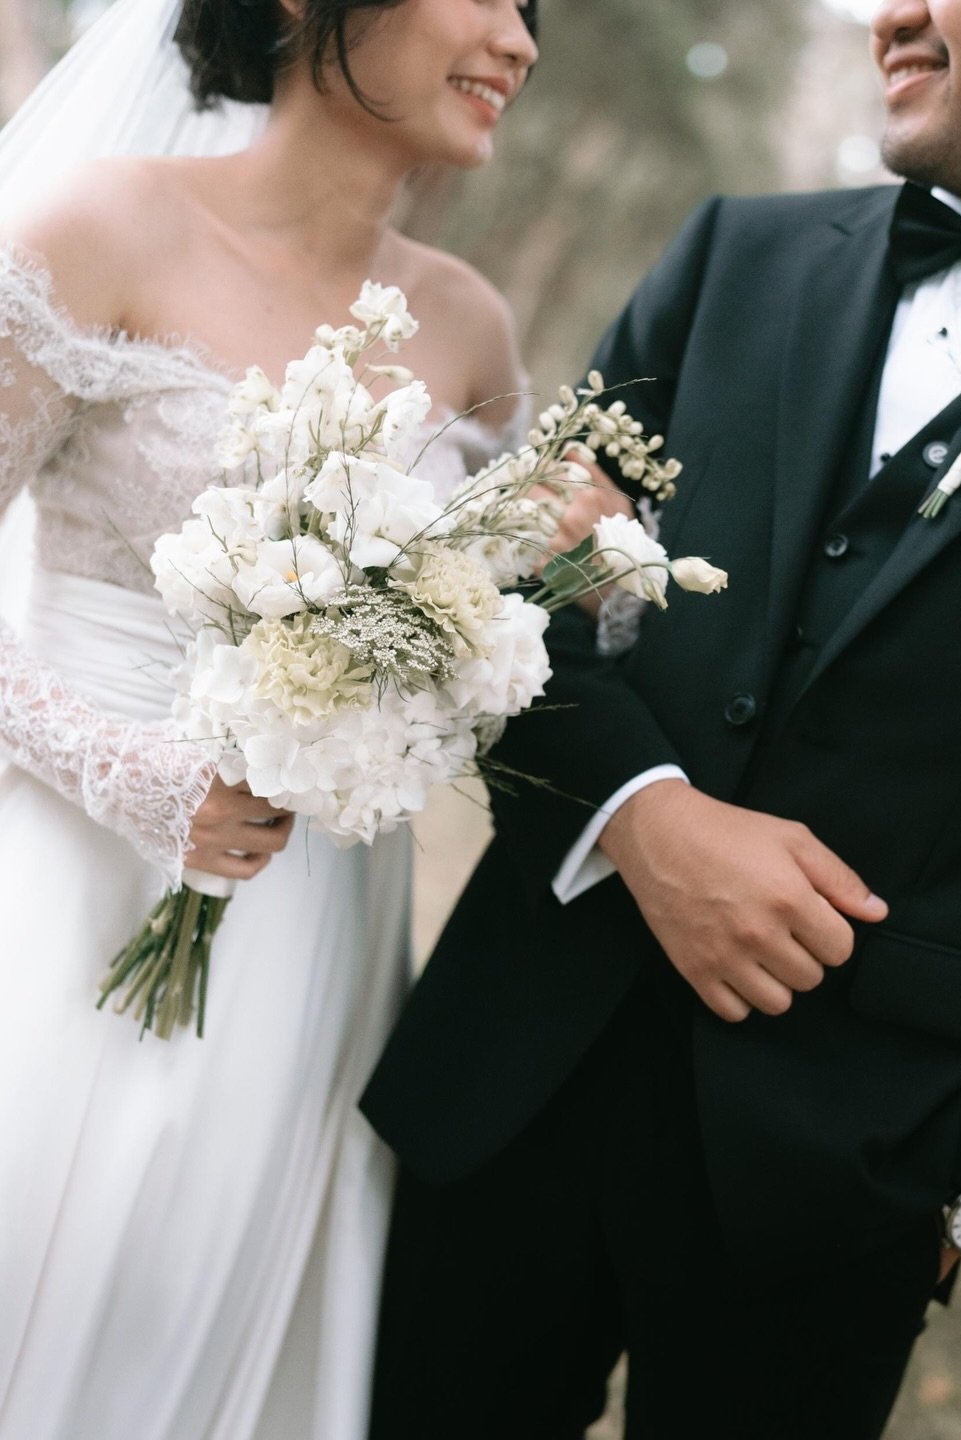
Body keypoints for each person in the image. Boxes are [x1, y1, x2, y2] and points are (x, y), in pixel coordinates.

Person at [363, 0, 961, 1434]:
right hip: (513, 1078)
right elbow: (505, 587)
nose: (889, 10)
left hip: (844, 1187)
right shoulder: (731, 255)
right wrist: (645, 816)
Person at [0, 1, 537, 1435]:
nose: (520, 40)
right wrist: (121, 770)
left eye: (531, 10)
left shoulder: (472, 330)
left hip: (314, 933)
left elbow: (485, 635)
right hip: (64, 881)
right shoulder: (101, 229)